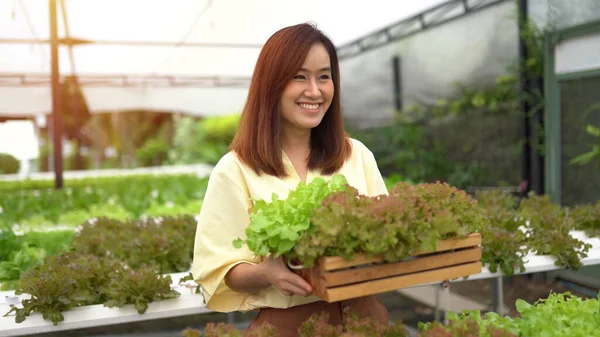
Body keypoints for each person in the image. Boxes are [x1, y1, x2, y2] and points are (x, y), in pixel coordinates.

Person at [191, 22, 389, 336]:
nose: (315, 91)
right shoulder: (235, 169)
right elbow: (218, 268)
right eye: (299, 77)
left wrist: (432, 254)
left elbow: (389, 230)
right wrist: (265, 273)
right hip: (289, 325)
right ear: (271, 84)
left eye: (324, 76)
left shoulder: (357, 155)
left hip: (367, 318)